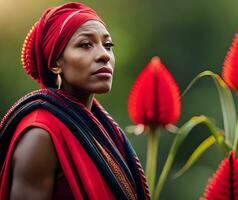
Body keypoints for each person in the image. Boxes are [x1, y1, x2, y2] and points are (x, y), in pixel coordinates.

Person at [0, 2, 149, 200]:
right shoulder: (40, 134)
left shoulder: (104, 132)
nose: (104, 55)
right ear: (55, 63)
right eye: (85, 45)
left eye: (108, 45)